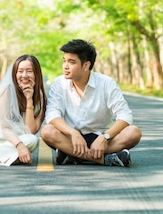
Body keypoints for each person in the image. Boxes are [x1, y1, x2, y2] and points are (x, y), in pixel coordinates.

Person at [41, 39, 141, 167]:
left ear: (86, 65)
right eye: (64, 61)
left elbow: (125, 115)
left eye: (71, 62)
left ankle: (72, 156)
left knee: (133, 132)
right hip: (71, 139)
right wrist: (73, 133)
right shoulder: (59, 83)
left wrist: (105, 137)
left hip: (102, 138)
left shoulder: (106, 83)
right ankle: (105, 159)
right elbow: (52, 114)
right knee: (47, 131)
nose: (65, 66)